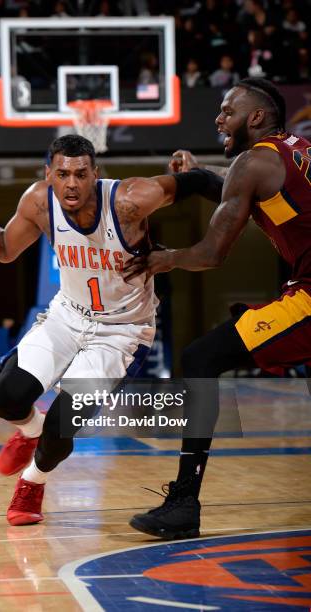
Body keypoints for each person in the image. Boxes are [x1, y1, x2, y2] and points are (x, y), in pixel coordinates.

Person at [0, 135, 177, 526]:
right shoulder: (38, 201)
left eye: (80, 174)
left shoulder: (127, 201)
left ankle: (32, 482)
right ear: (49, 174)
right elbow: (4, 250)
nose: (71, 183)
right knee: (8, 398)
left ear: (94, 175)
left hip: (121, 331)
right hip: (67, 317)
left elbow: (186, 186)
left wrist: (207, 175)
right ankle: (29, 432)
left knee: (63, 422)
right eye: (62, 173)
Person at [125, 77, 311, 539]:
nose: (218, 118)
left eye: (228, 111)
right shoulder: (291, 151)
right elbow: (234, 184)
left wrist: (162, 259)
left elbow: (211, 253)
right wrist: (197, 172)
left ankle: (184, 503)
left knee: (201, 357)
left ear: (256, 117)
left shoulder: (254, 162)